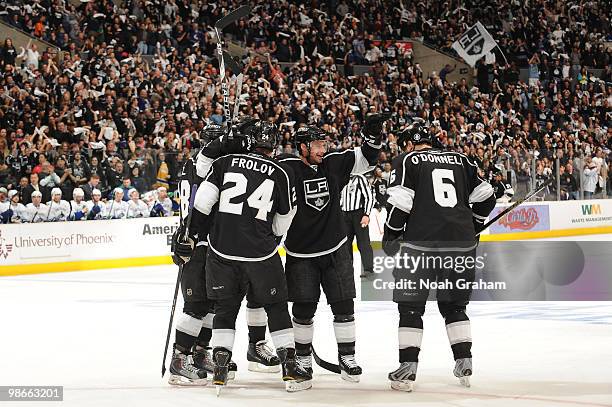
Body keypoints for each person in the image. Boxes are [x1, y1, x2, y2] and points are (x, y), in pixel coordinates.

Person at [173, 120, 311, 393]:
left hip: (216, 246)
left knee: (220, 307)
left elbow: (202, 203)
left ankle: (213, 359)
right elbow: (284, 220)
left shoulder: (220, 164)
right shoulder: (274, 171)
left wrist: (188, 234)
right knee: (267, 305)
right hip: (247, 250)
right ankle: (182, 358)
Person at [382, 124, 496, 391]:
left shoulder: (408, 161)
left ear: (410, 143)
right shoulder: (461, 159)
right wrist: (476, 224)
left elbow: (400, 204)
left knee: (410, 306)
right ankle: (464, 361)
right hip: (460, 245)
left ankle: (407, 368)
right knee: (455, 307)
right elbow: (487, 198)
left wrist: (391, 236)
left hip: (422, 246)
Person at [277, 113, 389, 382]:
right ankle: (302, 359)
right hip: (300, 252)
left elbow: (366, 158)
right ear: (302, 147)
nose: (322, 149)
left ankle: (347, 356)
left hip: (336, 248)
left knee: (344, 305)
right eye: (316, 145)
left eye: (323, 144)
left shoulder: (333, 163)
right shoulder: (285, 167)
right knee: (303, 310)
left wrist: (373, 135)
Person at [340, 172, 375, 277]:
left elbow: (369, 196)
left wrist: (366, 214)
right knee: (345, 245)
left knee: (363, 243)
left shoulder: (359, 178)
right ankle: (347, 270)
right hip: (345, 215)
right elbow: (341, 198)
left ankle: (369, 269)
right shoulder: (342, 178)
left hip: (358, 214)